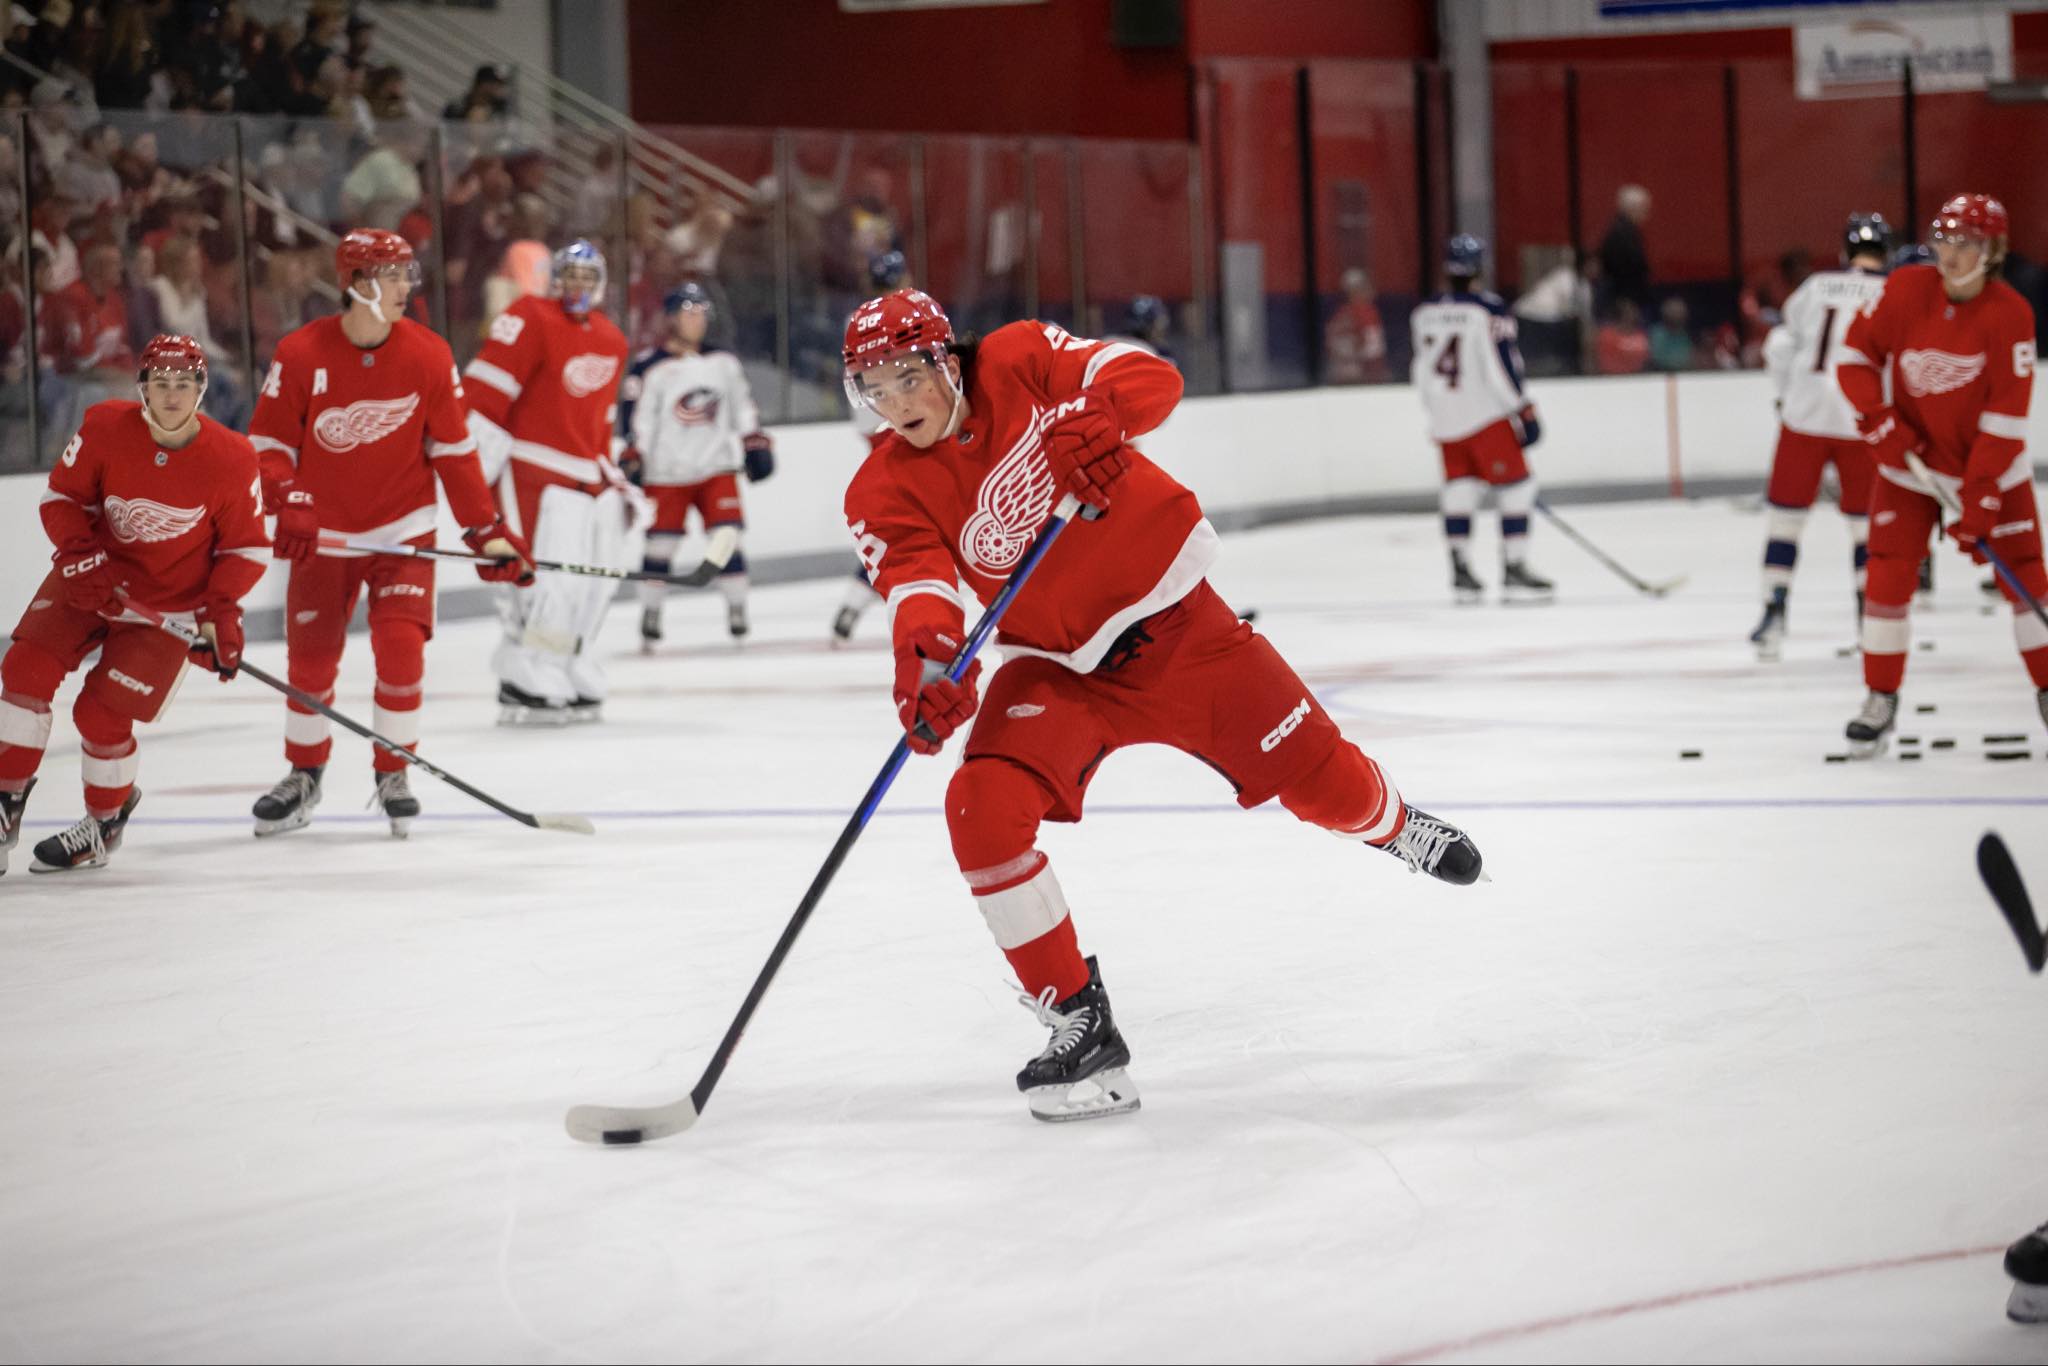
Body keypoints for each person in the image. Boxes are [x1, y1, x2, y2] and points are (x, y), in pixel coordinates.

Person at [841, 288, 1486, 1121]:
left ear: (945, 359)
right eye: (873, 388)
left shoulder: (1021, 355)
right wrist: (929, 670)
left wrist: (1098, 416)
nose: (895, 405)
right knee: (981, 806)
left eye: (905, 378)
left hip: (1179, 629)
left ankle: (1394, 824)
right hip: (1059, 670)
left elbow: (1148, 378)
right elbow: (918, 589)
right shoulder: (880, 489)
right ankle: (1081, 1023)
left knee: (1328, 790)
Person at [247, 228, 532, 835]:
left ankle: (393, 770)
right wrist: (289, 497)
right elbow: (266, 448)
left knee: (401, 654)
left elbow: (454, 454)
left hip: (404, 532)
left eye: (408, 273)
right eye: (395, 274)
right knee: (311, 662)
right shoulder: (300, 354)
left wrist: (488, 534)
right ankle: (304, 775)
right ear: (357, 283)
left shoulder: (428, 354)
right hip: (324, 537)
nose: (408, 286)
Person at [0, 336, 268, 874]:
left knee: (99, 715)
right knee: (23, 673)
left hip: (165, 609)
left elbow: (245, 549)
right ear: (143, 387)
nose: (173, 396)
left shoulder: (233, 457)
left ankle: (103, 822)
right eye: (162, 384)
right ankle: (4, 804)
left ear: (201, 389)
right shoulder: (104, 425)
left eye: (185, 384)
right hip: (87, 581)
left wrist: (220, 614)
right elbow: (62, 498)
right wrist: (80, 556)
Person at [1836, 194, 2044, 755]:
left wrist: (1980, 501)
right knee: (1886, 577)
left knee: (2025, 581)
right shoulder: (1905, 289)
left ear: (1993, 251)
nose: (1951, 254)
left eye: (1967, 242)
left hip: (1990, 472)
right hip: (1910, 468)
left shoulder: (2011, 314)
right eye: (1945, 239)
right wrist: (1880, 425)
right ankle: (1879, 698)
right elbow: (1854, 358)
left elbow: (2004, 421)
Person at [463, 239, 634, 725]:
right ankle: (524, 667)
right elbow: (484, 393)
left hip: (583, 474)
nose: (578, 286)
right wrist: (472, 466)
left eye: (588, 277)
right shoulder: (530, 317)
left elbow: (599, 421)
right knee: (539, 577)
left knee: (581, 580)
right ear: (555, 279)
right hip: (530, 468)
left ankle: (565, 658)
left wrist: (610, 474)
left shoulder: (612, 339)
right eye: (570, 275)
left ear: (601, 285)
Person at [1749, 213, 1893, 660]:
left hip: (1805, 418)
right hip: (1859, 422)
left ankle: (1774, 615)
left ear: (1844, 251)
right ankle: (1868, 621)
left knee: (1785, 521)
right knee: (1864, 527)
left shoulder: (1814, 287)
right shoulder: (1893, 293)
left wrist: (1787, 397)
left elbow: (1778, 347)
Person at [620, 282, 770, 648]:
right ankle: (651, 613)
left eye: (701, 312)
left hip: (715, 469)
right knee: (659, 549)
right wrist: (634, 454)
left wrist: (753, 441)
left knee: (727, 540)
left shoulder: (723, 363)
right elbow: (638, 420)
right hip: (666, 473)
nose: (697, 320)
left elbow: (743, 406)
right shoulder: (649, 367)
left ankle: (737, 610)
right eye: (689, 312)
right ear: (671, 318)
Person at [1408, 234, 1553, 604]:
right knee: (1518, 487)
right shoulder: (1488, 310)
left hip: (1443, 416)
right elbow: (1501, 364)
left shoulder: (1424, 312)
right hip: (1485, 416)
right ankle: (1515, 567)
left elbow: (1421, 370)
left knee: (1460, 486)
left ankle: (1459, 569)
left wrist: (1434, 409)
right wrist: (1523, 407)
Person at [828, 250, 910, 645]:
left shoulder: (856, 320)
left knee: (901, 524)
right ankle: (858, 604)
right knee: (910, 525)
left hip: (878, 427)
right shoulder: (897, 318)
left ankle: (853, 605)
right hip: (897, 426)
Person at [1323, 269, 1386, 383]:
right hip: (1357, 373)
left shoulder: (1345, 312)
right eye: (1363, 287)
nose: (1370, 290)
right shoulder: (1362, 312)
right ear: (1353, 291)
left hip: (1348, 371)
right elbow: (1373, 349)